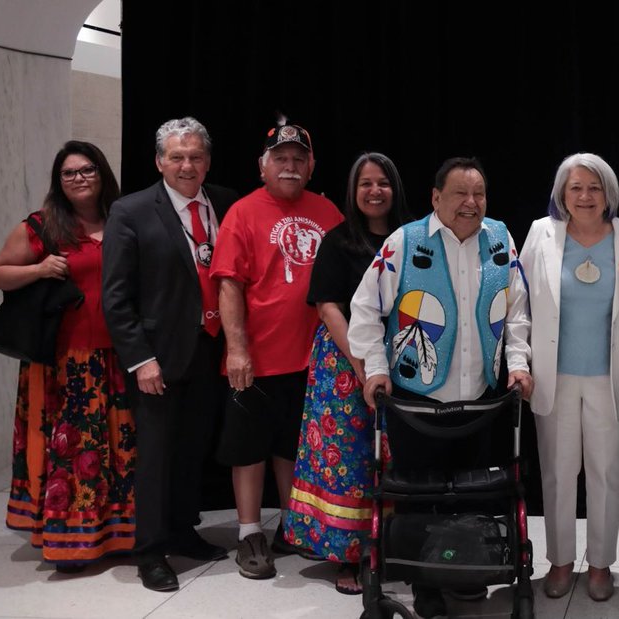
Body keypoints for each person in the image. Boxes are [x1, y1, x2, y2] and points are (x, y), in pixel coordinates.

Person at [348, 157, 533, 619]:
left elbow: (516, 312)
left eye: (479, 194)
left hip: (482, 399)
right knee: (420, 497)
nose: (471, 203)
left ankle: (466, 570)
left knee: (473, 495)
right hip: (417, 400)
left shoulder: (500, 239)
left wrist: (517, 363)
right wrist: (375, 368)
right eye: (459, 194)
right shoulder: (405, 242)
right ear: (435, 198)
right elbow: (366, 309)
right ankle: (425, 582)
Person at [101, 118, 238, 591]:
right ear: (159, 161)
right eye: (177, 156)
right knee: (156, 457)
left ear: (208, 161)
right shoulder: (131, 210)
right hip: (157, 358)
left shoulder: (226, 202)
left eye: (196, 156)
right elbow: (115, 297)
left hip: (211, 349)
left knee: (193, 449)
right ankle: (150, 551)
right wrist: (141, 359)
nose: (187, 165)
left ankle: (182, 531)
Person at [0, 141, 135, 570]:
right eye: (69, 172)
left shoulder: (123, 219)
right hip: (66, 361)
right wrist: (39, 269)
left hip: (120, 356)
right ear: (59, 181)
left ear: (102, 173)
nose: (79, 178)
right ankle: (71, 543)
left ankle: (122, 536)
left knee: (121, 449)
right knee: (73, 453)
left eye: (87, 169)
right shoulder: (42, 225)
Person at [209, 123, 344, 580]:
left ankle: (294, 525)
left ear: (311, 166)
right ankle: (250, 534)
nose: (290, 166)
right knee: (249, 449)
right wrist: (237, 350)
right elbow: (229, 285)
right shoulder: (243, 213)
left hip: (315, 360)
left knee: (295, 446)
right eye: (280, 158)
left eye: (298, 159)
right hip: (258, 359)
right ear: (262, 166)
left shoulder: (327, 211)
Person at [520, 153, 619, 603]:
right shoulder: (540, 233)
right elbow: (519, 302)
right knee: (557, 473)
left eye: (594, 187)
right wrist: (521, 362)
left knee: (607, 473)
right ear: (562, 193)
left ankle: (599, 564)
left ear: (608, 193)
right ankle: (559, 561)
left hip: (611, 378)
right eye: (575, 187)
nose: (585, 196)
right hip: (552, 376)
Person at [282, 152, 411, 594]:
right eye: (365, 184)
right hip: (345, 363)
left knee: (400, 456)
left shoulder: (410, 239)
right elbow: (328, 307)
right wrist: (362, 365)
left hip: (403, 359)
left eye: (383, 183)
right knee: (349, 460)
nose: (375, 192)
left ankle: (396, 546)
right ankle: (349, 557)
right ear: (353, 192)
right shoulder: (338, 241)